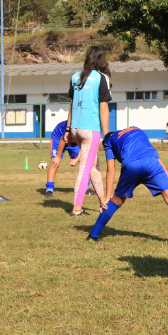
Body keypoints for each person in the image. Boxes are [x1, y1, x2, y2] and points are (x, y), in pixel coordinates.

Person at [87, 127, 168, 243]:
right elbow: (156, 157)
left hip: (131, 166)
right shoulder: (136, 129)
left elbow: (111, 170)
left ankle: (93, 236)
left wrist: (107, 197)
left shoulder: (108, 141)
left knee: (115, 201)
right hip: (153, 163)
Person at [65, 46, 111, 216]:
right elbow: (104, 107)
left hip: (76, 129)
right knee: (85, 169)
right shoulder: (101, 78)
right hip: (90, 130)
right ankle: (77, 208)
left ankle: (104, 202)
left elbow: (71, 104)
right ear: (101, 59)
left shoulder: (75, 76)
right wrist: (106, 134)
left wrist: (68, 129)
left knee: (93, 167)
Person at [44, 119, 80, 197]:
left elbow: (85, 147)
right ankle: (49, 188)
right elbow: (63, 140)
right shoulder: (73, 126)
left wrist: (77, 159)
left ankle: (86, 187)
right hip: (59, 137)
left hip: (76, 142)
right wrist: (57, 156)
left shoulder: (87, 130)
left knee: (84, 160)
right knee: (55, 162)